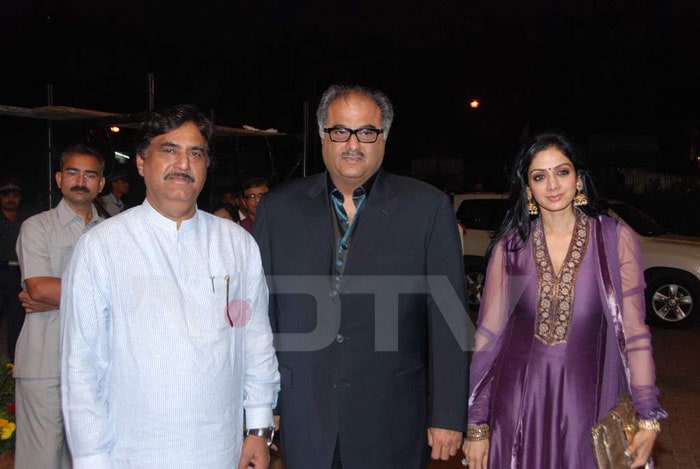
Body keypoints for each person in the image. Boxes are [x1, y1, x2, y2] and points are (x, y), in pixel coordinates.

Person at [253, 84, 469, 469]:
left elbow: (448, 318)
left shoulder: (427, 208)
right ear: (323, 137)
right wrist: (266, 403)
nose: (353, 144)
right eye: (340, 131)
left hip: (391, 413)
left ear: (384, 137)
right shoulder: (278, 209)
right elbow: (264, 314)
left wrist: (448, 414)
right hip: (305, 412)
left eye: (366, 132)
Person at [60, 104, 280, 469]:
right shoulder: (103, 246)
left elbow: (254, 338)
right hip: (131, 452)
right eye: (169, 150)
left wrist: (258, 428)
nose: (183, 164)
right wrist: (91, 459)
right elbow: (82, 366)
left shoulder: (236, 245)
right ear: (142, 162)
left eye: (196, 153)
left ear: (207, 166)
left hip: (220, 449)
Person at [462, 132, 667, 469]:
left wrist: (647, 414)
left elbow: (635, 333)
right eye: (539, 176)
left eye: (562, 172)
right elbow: (488, 338)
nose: (553, 185)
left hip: (586, 403)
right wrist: (477, 423)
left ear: (579, 178)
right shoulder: (511, 249)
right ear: (528, 188)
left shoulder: (615, 240)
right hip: (516, 403)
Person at [14, 144, 106, 469]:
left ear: (101, 184)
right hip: (44, 362)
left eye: (90, 174)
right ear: (58, 179)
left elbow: (132, 294)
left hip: (98, 366)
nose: (80, 180)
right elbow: (38, 287)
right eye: (72, 172)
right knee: (39, 461)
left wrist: (59, 295)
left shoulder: (114, 232)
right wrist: (107, 297)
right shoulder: (36, 227)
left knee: (88, 458)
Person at [0, 179, 31, 361]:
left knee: (17, 321)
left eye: (15, 195)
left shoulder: (27, 220)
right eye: (6, 194)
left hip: (19, 272)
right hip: (1, 270)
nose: (11, 198)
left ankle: (13, 362)